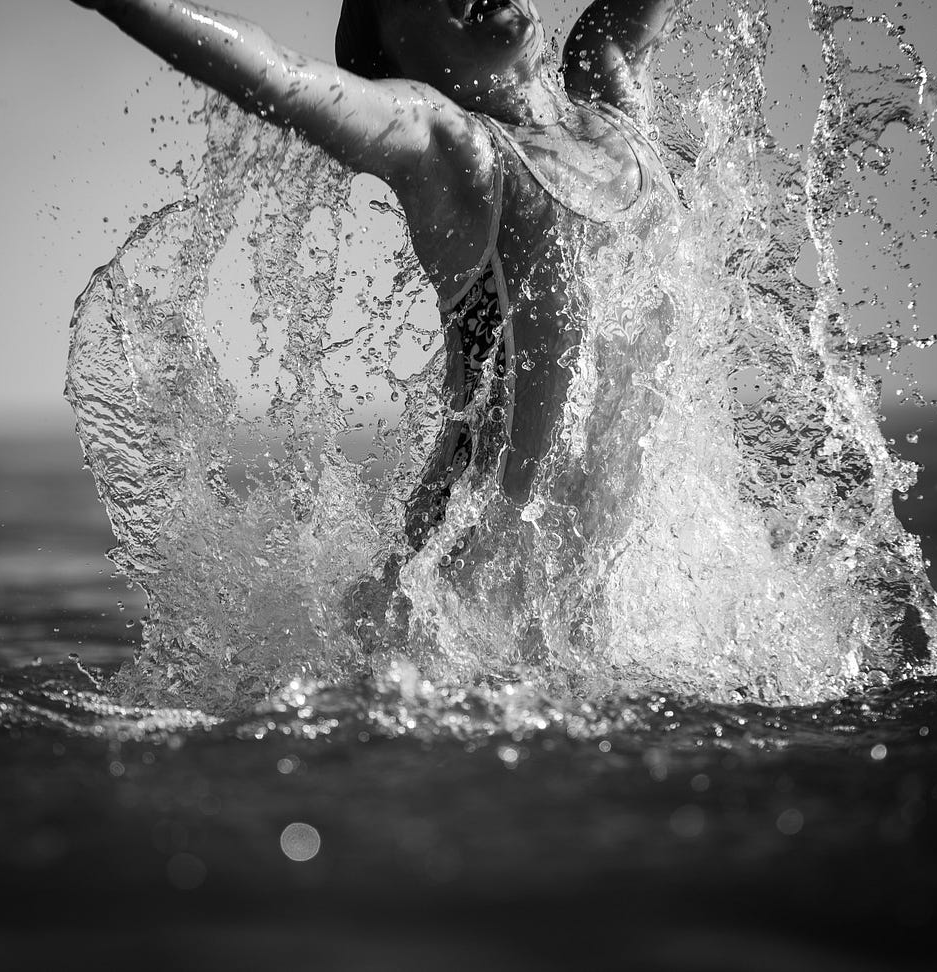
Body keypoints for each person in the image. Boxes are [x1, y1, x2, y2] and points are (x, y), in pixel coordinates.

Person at [70, 0, 681, 639]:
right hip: (457, 606)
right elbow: (275, 71)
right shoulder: (457, 153)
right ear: (397, 72)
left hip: (593, 594)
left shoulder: (610, 84)